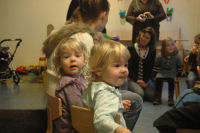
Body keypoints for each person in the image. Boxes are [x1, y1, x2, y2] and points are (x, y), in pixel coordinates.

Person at [42, 0, 110, 96]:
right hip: (70, 100)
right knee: (133, 98)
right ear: (103, 15)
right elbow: (87, 80)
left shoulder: (57, 32)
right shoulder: (84, 37)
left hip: (53, 97)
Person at [82, 40, 133, 133]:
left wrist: (117, 104)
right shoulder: (107, 94)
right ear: (99, 70)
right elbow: (101, 119)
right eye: (117, 65)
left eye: (125, 65)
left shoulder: (93, 87)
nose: (124, 70)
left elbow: (98, 105)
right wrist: (118, 129)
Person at [52, 38, 87, 133]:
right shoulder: (70, 85)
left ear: (84, 60)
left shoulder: (79, 78)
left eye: (77, 55)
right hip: (72, 129)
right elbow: (80, 114)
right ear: (59, 63)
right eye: (66, 57)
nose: (72, 59)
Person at [128, 27, 156, 101]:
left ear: (150, 40)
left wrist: (145, 82)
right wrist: (137, 80)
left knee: (152, 96)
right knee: (140, 94)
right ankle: (135, 89)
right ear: (140, 35)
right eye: (143, 36)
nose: (144, 39)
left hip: (146, 80)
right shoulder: (131, 48)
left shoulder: (152, 51)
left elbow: (151, 68)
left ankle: (140, 89)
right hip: (133, 79)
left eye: (147, 38)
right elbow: (129, 68)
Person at [152, 37, 182, 106]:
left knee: (171, 82)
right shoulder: (160, 55)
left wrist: (179, 76)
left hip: (172, 73)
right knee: (158, 81)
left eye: (172, 45)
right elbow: (156, 66)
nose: (170, 47)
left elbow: (179, 67)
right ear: (163, 47)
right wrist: (154, 75)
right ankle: (157, 98)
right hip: (161, 72)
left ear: (174, 46)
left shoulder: (177, 56)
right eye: (168, 45)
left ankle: (170, 98)